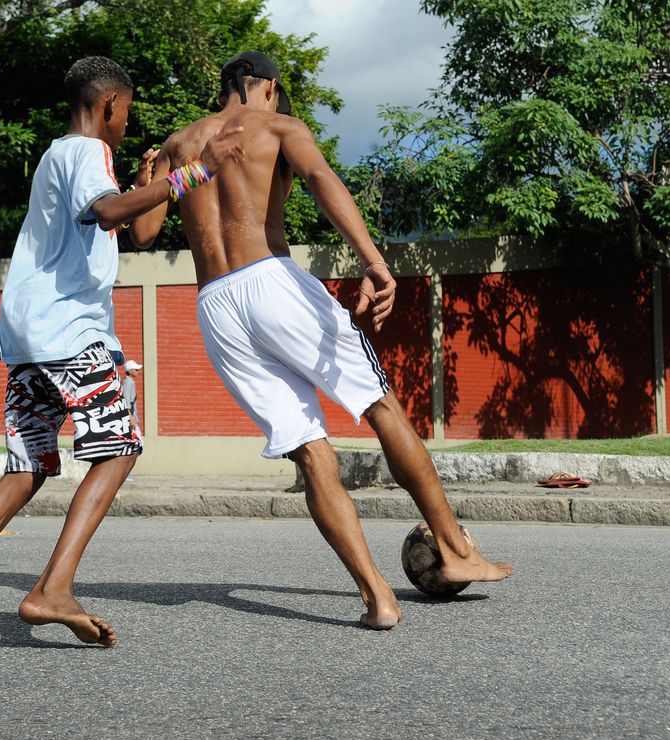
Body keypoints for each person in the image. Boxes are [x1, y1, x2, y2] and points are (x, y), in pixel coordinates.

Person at [131, 52, 512, 630]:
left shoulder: (180, 143)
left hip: (215, 306)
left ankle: (377, 598)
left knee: (311, 451)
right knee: (380, 405)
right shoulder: (279, 127)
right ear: (267, 88)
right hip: (272, 280)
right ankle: (455, 548)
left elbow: (142, 232)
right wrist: (375, 262)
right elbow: (322, 179)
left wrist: (146, 176)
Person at [0, 56, 242, 646]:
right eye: (127, 112)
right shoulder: (89, 153)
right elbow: (105, 211)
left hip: (30, 338)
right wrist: (195, 174)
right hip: (71, 335)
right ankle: (52, 589)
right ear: (109, 104)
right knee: (120, 450)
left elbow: (133, 228)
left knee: (27, 468)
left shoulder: (55, 156)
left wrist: (150, 184)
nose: (125, 123)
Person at [121, 359, 142, 433]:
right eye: (136, 370)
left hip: (131, 417)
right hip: (130, 418)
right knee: (138, 439)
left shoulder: (130, 382)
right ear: (130, 371)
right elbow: (126, 402)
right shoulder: (128, 383)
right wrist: (131, 419)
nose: (137, 372)